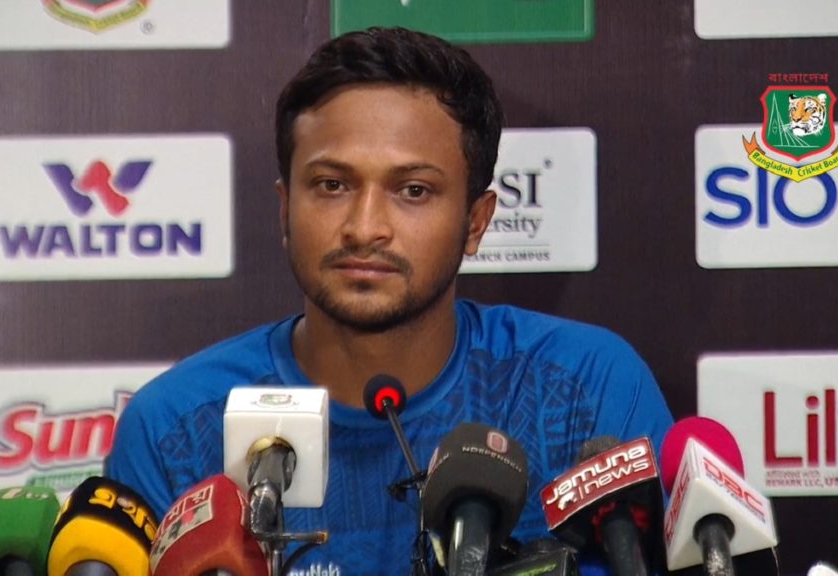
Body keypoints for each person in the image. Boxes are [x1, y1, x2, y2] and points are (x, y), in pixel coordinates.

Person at [106, 26, 672, 575]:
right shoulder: (173, 431)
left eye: (413, 190)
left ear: (476, 222)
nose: (364, 227)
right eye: (332, 185)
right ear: (284, 210)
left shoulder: (583, 391)